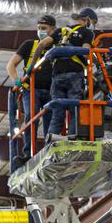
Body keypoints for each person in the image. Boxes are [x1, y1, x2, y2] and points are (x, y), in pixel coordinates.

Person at [6, 14, 60, 169]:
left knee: (52, 119)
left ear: (53, 29)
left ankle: (51, 150)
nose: (40, 31)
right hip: (31, 89)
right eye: (38, 28)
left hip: (51, 90)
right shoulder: (30, 45)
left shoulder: (58, 47)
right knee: (31, 116)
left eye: (44, 29)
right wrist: (17, 80)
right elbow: (11, 65)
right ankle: (29, 152)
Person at [45, 8, 97, 139]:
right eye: (93, 22)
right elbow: (86, 51)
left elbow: (42, 44)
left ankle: (51, 141)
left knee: (57, 111)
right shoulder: (87, 32)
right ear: (87, 20)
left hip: (56, 74)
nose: (93, 25)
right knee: (75, 109)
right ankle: (73, 139)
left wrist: (30, 70)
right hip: (74, 73)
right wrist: (97, 59)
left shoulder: (60, 31)